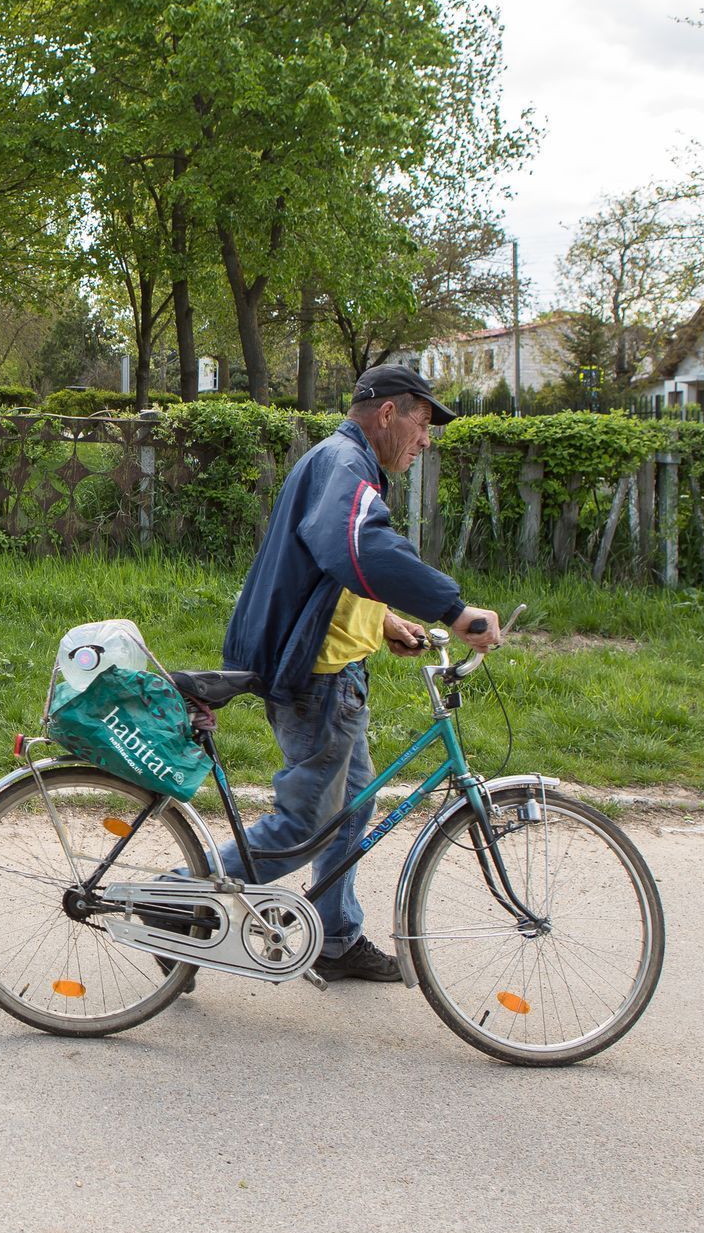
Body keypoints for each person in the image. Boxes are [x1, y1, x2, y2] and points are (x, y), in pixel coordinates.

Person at [211, 364, 503, 983]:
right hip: (318, 681)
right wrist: (453, 610)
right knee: (302, 825)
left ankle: (336, 938)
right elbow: (356, 548)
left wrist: (384, 622)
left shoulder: (342, 460)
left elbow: (331, 569)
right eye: (424, 424)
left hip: (334, 671)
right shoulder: (347, 463)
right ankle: (177, 902)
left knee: (352, 809)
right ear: (388, 414)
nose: (427, 441)